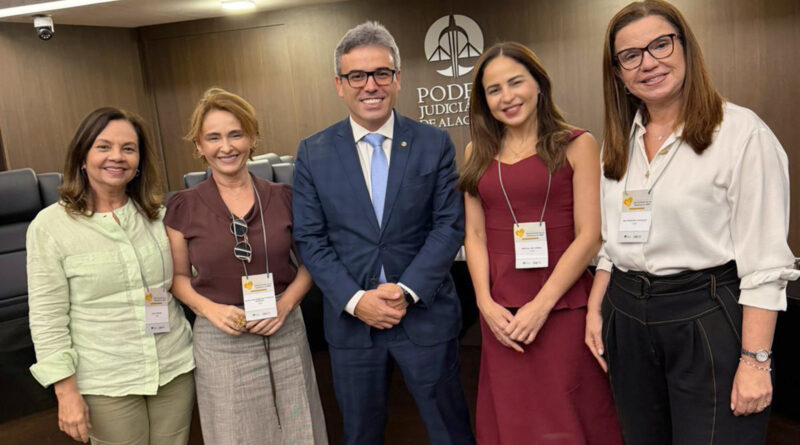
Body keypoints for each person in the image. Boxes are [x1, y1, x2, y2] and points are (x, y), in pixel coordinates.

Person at [584, 1, 799, 443]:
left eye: (660, 44)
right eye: (631, 55)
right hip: (625, 312)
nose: (649, 62)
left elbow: (764, 264)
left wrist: (757, 361)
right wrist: (596, 309)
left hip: (705, 312)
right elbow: (611, 243)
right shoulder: (617, 142)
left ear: (685, 47)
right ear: (618, 72)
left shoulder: (741, 134)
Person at [292, 21, 474, 445]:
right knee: (360, 434)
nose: (369, 85)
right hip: (353, 325)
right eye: (357, 75)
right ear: (339, 84)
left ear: (397, 79)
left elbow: (449, 224)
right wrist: (358, 301)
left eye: (381, 73)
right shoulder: (313, 152)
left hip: (425, 316)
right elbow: (311, 239)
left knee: (451, 431)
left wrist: (406, 290)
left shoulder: (434, 143)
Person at [459, 42, 622, 444]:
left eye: (516, 82)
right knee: (514, 421)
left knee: (567, 415)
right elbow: (474, 235)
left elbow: (591, 235)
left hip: (562, 307)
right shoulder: (476, 151)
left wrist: (542, 304)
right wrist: (483, 301)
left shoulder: (576, 143)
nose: (507, 97)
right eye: (494, 90)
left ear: (538, 84)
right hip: (501, 313)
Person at [164, 88, 327, 445]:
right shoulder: (182, 207)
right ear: (198, 146)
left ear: (252, 139)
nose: (226, 146)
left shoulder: (285, 197)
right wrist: (210, 311)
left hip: (283, 327)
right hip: (221, 337)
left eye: (236, 134)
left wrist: (285, 306)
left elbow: (311, 264)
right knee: (233, 433)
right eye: (214, 137)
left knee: (300, 429)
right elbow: (177, 278)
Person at [27, 107, 195, 445]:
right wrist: (65, 391)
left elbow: (185, 278)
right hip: (106, 380)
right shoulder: (50, 227)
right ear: (82, 156)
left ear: (138, 162)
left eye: (128, 149)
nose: (117, 157)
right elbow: (47, 318)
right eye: (103, 147)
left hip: (173, 367)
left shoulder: (158, 216)